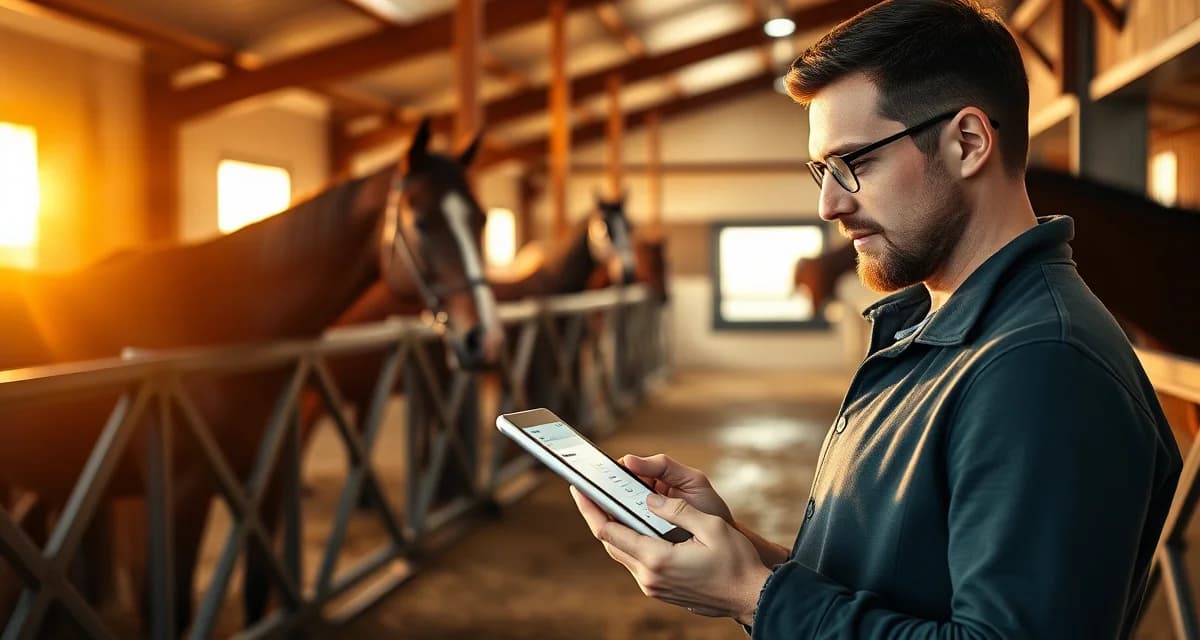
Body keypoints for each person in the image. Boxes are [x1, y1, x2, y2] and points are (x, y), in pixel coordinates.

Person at [569, 1, 1184, 637]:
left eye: (853, 163)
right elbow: (894, 585)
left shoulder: (1041, 365)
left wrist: (754, 596)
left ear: (967, 143)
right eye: (821, 170)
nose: (829, 204)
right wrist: (739, 556)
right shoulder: (940, 330)